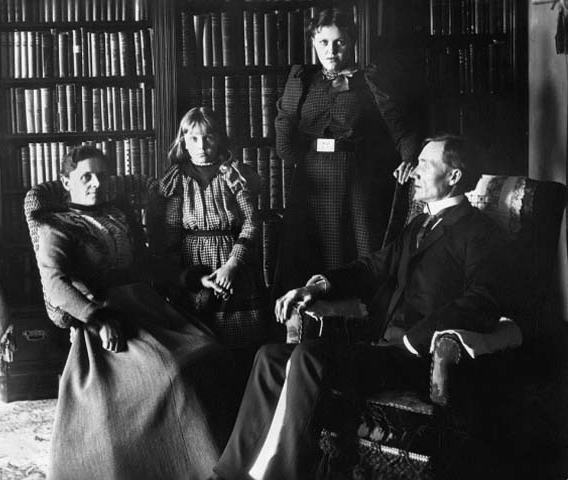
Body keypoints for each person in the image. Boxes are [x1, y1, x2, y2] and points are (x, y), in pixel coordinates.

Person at [209, 134, 506, 480]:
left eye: (425, 164)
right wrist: (314, 287)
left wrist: (416, 339)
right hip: (380, 348)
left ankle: (283, 474)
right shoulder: (418, 224)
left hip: (419, 358)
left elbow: (483, 300)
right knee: (269, 356)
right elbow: (371, 267)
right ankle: (227, 474)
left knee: (308, 356)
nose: (415, 172)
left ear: (454, 176)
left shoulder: (480, 232)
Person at [35, 145, 231, 480]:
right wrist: (97, 317)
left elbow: (147, 265)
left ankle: (217, 457)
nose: (95, 183)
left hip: (147, 307)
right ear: (66, 182)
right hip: (106, 319)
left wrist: (190, 276)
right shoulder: (54, 227)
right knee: (171, 370)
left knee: (209, 350)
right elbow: (55, 284)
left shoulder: (118, 215)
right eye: (85, 177)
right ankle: (175, 466)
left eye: (101, 175)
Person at [272, 7, 419, 302]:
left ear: (351, 42)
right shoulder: (302, 80)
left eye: (339, 42)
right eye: (324, 42)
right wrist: (291, 143)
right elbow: (286, 136)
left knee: (352, 255)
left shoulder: (369, 81)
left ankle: (353, 329)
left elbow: (401, 131)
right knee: (306, 253)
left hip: (355, 179)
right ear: (313, 42)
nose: (332, 50)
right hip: (312, 180)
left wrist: (409, 159)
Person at [158, 107, 266, 349]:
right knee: (200, 342)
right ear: (184, 142)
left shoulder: (233, 174)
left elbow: (251, 222)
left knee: (239, 341)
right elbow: (172, 232)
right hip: (193, 263)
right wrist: (184, 278)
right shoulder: (177, 180)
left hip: (233, 260)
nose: (201, 145)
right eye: (194, 138)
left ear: (219, 139)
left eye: (208, 137)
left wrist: (232, 265)